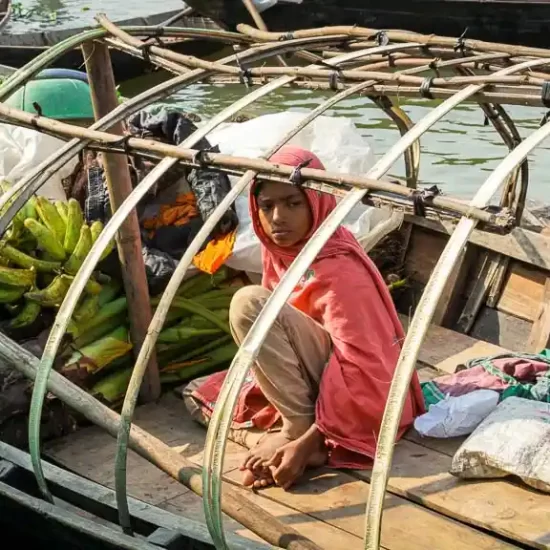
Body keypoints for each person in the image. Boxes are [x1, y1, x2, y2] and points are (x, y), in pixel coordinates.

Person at [185, 146, 425, 490]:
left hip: (359, 389)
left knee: (249, 303)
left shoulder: (340, 270)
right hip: (317, 377)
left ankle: (299, 428)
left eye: (293, 203)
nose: (278, 217)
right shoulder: (281, 253)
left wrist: (310, 438)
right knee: (198, 392)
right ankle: (296, 432)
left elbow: (367, 368)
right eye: (266, 206)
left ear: (316, 202)